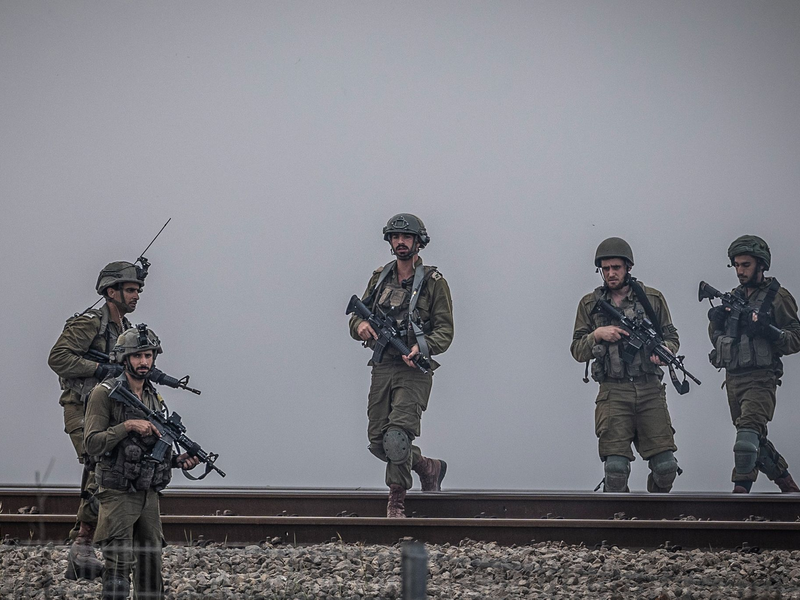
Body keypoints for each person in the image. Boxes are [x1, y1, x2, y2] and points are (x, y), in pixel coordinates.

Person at [349, 213, 454, 517]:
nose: (400, 242)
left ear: (418, 242)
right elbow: (358, 315)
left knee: (397, 437)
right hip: (382, 366)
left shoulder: (433, 283)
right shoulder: (380, 277)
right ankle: (426, 466)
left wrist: (420, 347)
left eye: (406, 237)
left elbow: (445, 331)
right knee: (379, 441)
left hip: (413, 371)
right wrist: (359, 326)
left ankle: (396, 502)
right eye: (395, 237)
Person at [84, 325, 199, 600]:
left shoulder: (153, 397)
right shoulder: (104, 393)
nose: (144, 362)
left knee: (151, 566)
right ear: (125, 359)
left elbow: (146, 448)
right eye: (137, 356)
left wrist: (175, 460)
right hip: (118, 494)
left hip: (148, 494)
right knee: (118, 570)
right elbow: (92, 443)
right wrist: (127, 426)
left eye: (148, 355)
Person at [48, 261, 145, 580]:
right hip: (80, 406)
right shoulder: (90, 322)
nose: (136, 295)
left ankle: (82, 547)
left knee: (101, 470)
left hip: (105, 409)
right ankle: (83, 546)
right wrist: (99, 369)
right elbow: (58, 357)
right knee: (100, 465)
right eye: (130, 289)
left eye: (137, 290)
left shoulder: (124, 329)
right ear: (110, 291)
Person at [571, 237, 681, 493]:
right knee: (616, 469)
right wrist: (597, 334)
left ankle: (653, 518)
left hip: (650, 389)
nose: (610, 273)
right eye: (606, 268)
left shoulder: (652, 299)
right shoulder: (590, 305)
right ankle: (618, 521)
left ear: (628, 268)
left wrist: (665, 353)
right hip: (613, 392)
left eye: (616, 268)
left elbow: (671, 337)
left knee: (666, 467)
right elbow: (577, 350)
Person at [707, 235, 800, 493]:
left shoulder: (778, 297)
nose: (739, 271)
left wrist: (769, 331)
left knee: (746, 443)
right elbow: (717, 338)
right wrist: (715, 323)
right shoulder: (733, 298)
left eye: (745, 265)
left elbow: (795, 339)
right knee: (754, 440)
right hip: (733, 380)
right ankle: (789, 488)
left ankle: (740, 497)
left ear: (761, 265)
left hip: (761, 379)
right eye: (736, 265)